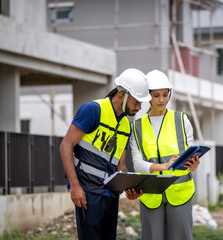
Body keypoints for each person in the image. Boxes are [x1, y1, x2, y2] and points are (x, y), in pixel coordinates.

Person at [60, 68, 151, 240]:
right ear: (122, 95)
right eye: (137, 102)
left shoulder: (126, 125)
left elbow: (121, 166)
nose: (139, 108)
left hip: (111, 195)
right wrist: (75, 186)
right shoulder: (93, 110)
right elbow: (65, 145)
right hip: (88, 193)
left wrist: (130, 188)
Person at [130, 70, 200, 240]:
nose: (161, 100)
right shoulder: (137, 126)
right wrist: (162, 167)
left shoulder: (181, 119)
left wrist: (194, 165)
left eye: (164, 95)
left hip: (179, 192)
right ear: (148, 97)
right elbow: (137, 162)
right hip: (151, 193)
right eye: (156, 96)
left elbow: (190, 150)